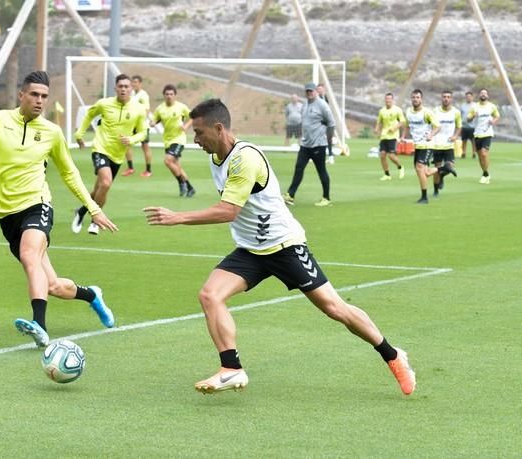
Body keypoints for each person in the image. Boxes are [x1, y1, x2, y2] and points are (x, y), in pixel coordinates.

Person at [143, 99, 416, 396]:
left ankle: (393, 355)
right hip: (251, 250)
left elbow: (228, 211)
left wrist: (178, 217)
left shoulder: (244, 159)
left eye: (199, 132)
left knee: (334, 308)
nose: (195, 140)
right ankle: (231, 369)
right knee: (210, 295)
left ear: (219, 128)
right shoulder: (216, 158)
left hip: (285, 246)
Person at [0, 71, 117, 348]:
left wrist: (93, 209)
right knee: (53, 286)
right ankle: (92, 295)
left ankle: (40, 325)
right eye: (34, 95)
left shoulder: (51, 132)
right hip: (6, 214)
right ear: (21, 95)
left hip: (38, 204)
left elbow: (70, 173)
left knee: (29, 254)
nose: (39, 101)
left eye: (44, 96)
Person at [71, 73, 148, 235]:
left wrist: (132, 139)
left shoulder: (138, 109)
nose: (123, 89)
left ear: (131, 89)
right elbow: (89, 115)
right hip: (100, 148)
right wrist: (79, 134)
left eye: (126, 86)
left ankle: (81, 211)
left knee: (100, 188)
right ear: (115, 88)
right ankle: (95, 221)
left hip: (117, 155)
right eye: (120, 86)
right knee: (105, 183)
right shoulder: (104, 104)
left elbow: (143, 132)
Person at [283, 82, 335, 207]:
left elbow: (331, 123)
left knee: (321, 171)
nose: (309, 93)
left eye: (311, 91)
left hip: (318, 145)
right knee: (299, 168)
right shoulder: (305, 105)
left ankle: (326, 197)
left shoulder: (322, 105)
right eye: (307, 91)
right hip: (306, 145)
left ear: (316, 92)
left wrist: (328, 142)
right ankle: (290, 195)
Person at [401, 89, 453, 204]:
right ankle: (443, 169)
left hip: (427, 145)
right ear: (411, 99)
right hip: (417, 145)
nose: (415, 99)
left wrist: (431, 134)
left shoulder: (427, 112)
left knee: (420, 168)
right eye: (413, 97)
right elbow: (406, 125)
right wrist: (403, 136)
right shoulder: (409, 112)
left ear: (421, 99)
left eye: (418, 97)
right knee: (425, 172)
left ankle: (424, 198)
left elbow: (437, 126)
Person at [150, 84, 196, 197]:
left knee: (168, 161)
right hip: (167, 140)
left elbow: (192, 117)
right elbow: (155, 119)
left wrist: (185, 126)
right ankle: (190, 188)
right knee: (176, 166)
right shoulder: (160, 109)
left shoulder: (181, 107)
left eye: (171, 94)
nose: (169, 96)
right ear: (164, 95)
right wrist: (152, 123)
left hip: (179, 139)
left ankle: (181, 183)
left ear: (175, 95)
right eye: (167, 94)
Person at [431, 90, 462, 197]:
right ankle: (435, 191)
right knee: (437, 168)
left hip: (449, 144)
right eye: (444, 96)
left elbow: (459, 126)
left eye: (448, 97)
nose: (446, 99)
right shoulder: (435, 111)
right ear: (441, 98)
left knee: (450, 166)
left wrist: (455, 136)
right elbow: (430, 125)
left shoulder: (456, 112)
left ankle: (442, 175)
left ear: (451, 99)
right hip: (436, 144)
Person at [122, 75, 153, 177]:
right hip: (132, 124)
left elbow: (147, 110)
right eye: (133, 82)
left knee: (145, 147)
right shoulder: (131, 94)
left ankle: (148, 170)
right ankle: (130, 168)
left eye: (135, 82)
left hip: (142, 125)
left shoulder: (144, 95)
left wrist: (142, 122)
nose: (134, 84)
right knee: (127, 144)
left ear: (140, 83)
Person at [468, 88, 500, 184]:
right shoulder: (474, 107)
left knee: (484, 153)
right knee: (480, 156)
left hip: (487, 133)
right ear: (479, 95)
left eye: (485, 93)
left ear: (487, 96)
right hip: (477, 133)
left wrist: (493, 121)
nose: (483, 94)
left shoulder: (492, 106)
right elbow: (468, 119)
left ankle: (485, 174)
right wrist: (473, 116)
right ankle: (485, 173)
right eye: (481, 93)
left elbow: (497, 116)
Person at [374, 92, 406, 181]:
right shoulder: (382, 111)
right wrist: (376, 129)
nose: (388, 100)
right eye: (386, 99)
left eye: (389, 99)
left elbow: (402, 122)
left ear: (392, 100)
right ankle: (387, 174)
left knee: (391, 155)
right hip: (384, 136)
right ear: (385, 100)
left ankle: (400, 167)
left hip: (393, 136)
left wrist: (395, 128)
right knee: (382, 155)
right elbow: (379, 121)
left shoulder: (397, 110)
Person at [316, 83, 336, 164]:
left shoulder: (325, 97)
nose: (319, 90)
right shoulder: (316, 98)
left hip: (326, 121)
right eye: (318, 89)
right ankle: (315, 155)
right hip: (319, 122)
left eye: (320, 89)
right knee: (317, 138)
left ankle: (330, 156)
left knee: (328, 139)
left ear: (323, 89)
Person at [459, 91, 477, 159]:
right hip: (464, 126)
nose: (468, 98)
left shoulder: (475, 105)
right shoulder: (463, 105)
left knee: (473, 141)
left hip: (473, 126)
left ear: (472, 97)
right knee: (464, 140)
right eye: (467, 97)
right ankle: (463, 153)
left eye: (469, 97)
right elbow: (460, 115)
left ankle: (474, 153)